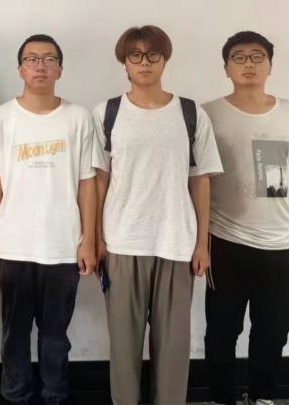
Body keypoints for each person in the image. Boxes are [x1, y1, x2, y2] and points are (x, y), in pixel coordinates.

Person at [93, 25, 223, 405]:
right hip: (122, 242)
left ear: (165, 60)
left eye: (153, 55)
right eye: (135, 55)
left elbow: (200, 180)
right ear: (124, 63)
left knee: (173, 348)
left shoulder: (190, 113)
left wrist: (202, 244)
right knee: (123, 347)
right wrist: (95, 239)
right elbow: (98, 180)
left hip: (176, 242)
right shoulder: (107, 113)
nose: (144, 62)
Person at [0, 33, 97, 405]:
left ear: (60, 68)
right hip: (14, 246)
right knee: (14, 334)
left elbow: (87, 183)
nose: (40, 66)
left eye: (48, 59)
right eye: (32, 59)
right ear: (20, 69)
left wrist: (88, 240)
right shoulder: (0, 119)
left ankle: (54, 396)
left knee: (55, 336)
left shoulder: (78, 118)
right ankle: (15, 397)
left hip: (63, 246)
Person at [203, 31, 289, 405]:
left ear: (270, 65)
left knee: (272, 331)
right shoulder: (207, 115)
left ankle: (262, 397)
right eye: (239, 57)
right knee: (222, 331)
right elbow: (197, 181)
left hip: (284, 243)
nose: (248, 64)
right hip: (225, 240)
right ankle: (221, 397)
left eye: (257, 56)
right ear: (226, 68)